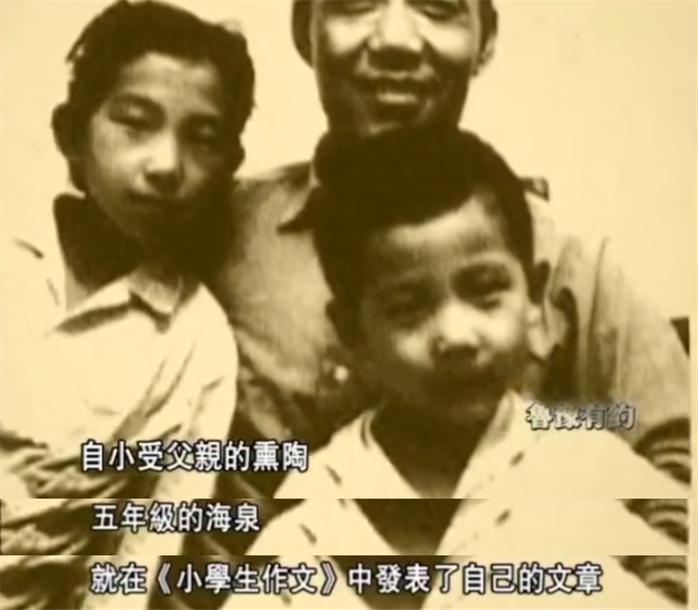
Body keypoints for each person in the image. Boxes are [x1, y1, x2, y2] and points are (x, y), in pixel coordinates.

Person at [204, 0, 689, 524]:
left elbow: (674, 464)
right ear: (305, 31)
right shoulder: (214, 229)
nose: (395, 40)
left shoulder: (562, 260)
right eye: (357, 3)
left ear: (485, 40)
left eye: (438, 7)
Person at [233, 127, 688, 609]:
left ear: (534, 296)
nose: (456, 337)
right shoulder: (313, 518)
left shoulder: (590, 470)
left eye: (485, 291)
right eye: (408, 309)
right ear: (352, 332)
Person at [0, 2, 254, 608]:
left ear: (229, 168)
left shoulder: (197, 345)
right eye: (136, 123)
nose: (166, 164)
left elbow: (141, 554)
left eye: (203, 140)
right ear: (72, 136)